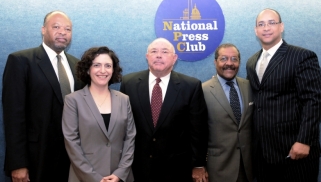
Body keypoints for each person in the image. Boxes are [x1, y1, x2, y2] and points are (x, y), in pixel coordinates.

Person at [2, 10, 84, 182]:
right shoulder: (21, 61)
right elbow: (13, 117)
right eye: (56, 27)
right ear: (43, 30)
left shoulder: (77, 65)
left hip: (71, 160)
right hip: (35, 159)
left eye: (68, 29)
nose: (62, 32)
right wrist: (18, 163)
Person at [246, 8, 321, 182]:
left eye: (272, 23)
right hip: (264, 155)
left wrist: (304, 140)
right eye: (261, 24)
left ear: (282, 27)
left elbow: (313, 101)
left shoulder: (302, 56)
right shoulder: (252, 62)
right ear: (255, 30)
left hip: (295, 151)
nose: (266, 28)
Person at [120, 38, 208, 182]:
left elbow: (198, 130)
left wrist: (198, 164)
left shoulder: (191, 86)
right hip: (138, 168)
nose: (158, 55)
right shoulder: (129, 83)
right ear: (147, 57)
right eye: (154, 51)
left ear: (174, 59)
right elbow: (123, 128)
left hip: (177, 169)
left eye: (165, 52)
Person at [62, 46, 136, 182]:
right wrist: (94, 178)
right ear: (88, 70)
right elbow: (72, 143)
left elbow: (129, 138)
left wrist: (120, 173)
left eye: (108, 66)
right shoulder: (73, 100)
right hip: (84, 177)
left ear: (113, 70)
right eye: (97, 65)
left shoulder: (123, 99)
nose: (103, 70)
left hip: (119, 177)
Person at [203, 43, 253, 182]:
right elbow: (197, 133)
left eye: (234, 59)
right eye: (224, 59)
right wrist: (200, 165)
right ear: (215, 62)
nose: (229, 63)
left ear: (239, 62)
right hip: (217, 169)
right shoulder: (203, 91)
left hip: (247, 168)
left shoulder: (249, 87)